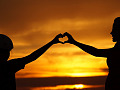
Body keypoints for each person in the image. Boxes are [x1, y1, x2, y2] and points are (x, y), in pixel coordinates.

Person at [63, 17, 120, 90]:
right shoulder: (116, 49)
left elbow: (96, 52)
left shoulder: (117, 51)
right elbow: (96, 52)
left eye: (114, 30)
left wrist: (74, 42)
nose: (111, 33)